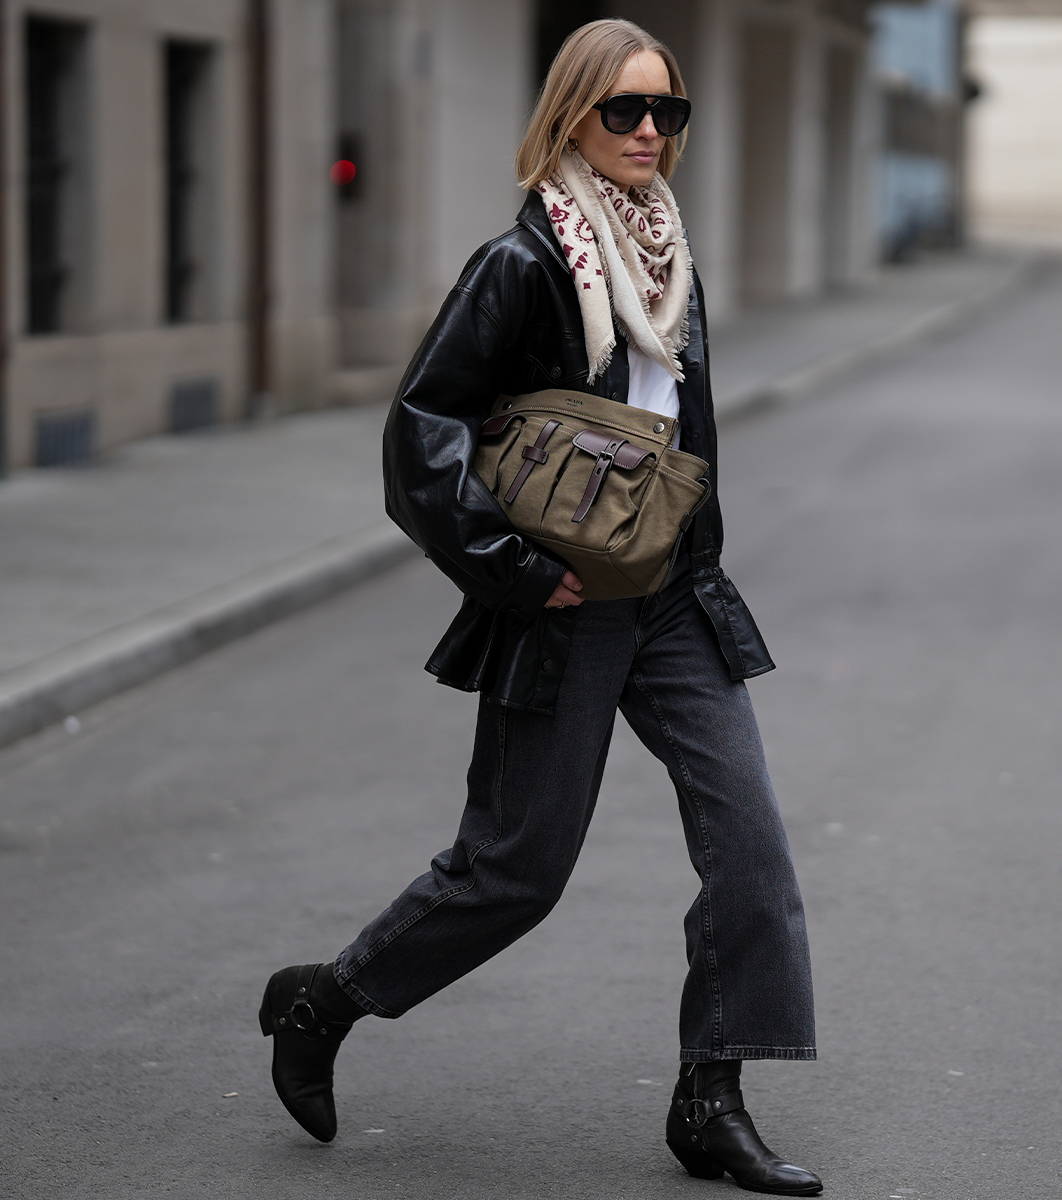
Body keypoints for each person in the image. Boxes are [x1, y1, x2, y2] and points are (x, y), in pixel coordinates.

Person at [259, 19, 821, 1195]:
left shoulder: (673, 258)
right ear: (571, 114)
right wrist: (510, 568)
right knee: (517, 870)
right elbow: (422, 430)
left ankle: (710, 1097)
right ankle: (326, 1000)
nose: (650, 133)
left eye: (668, 111)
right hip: (562, 604)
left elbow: (678, 443)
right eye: (625, 110)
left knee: (753, 851)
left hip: (673, 602)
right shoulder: (519, 265)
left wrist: (697, 561)